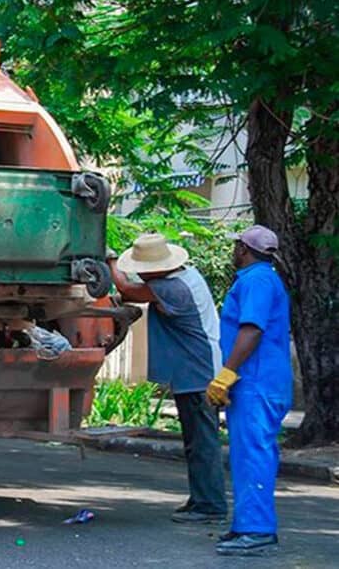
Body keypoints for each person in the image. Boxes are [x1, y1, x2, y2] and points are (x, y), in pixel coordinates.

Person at [108, 234, 227, 523]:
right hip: (197, 370)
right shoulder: (188, 276)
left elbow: (126, 289)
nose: (143, 273)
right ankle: (201, 498)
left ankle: (210, 506)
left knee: (202, 443)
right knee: (196, 442)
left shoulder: (173, 288)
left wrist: (109, 258)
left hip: (198, 373)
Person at [207, 225, 291, 557]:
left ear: (243, 248)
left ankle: (257, 529)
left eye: (235, 246)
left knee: (254, 453)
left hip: (256, 382)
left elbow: (252, 330)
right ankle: (247, 524)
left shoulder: (256, 280)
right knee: (245, 455)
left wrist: (227, 373)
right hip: (258, 381)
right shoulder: (262, 278)